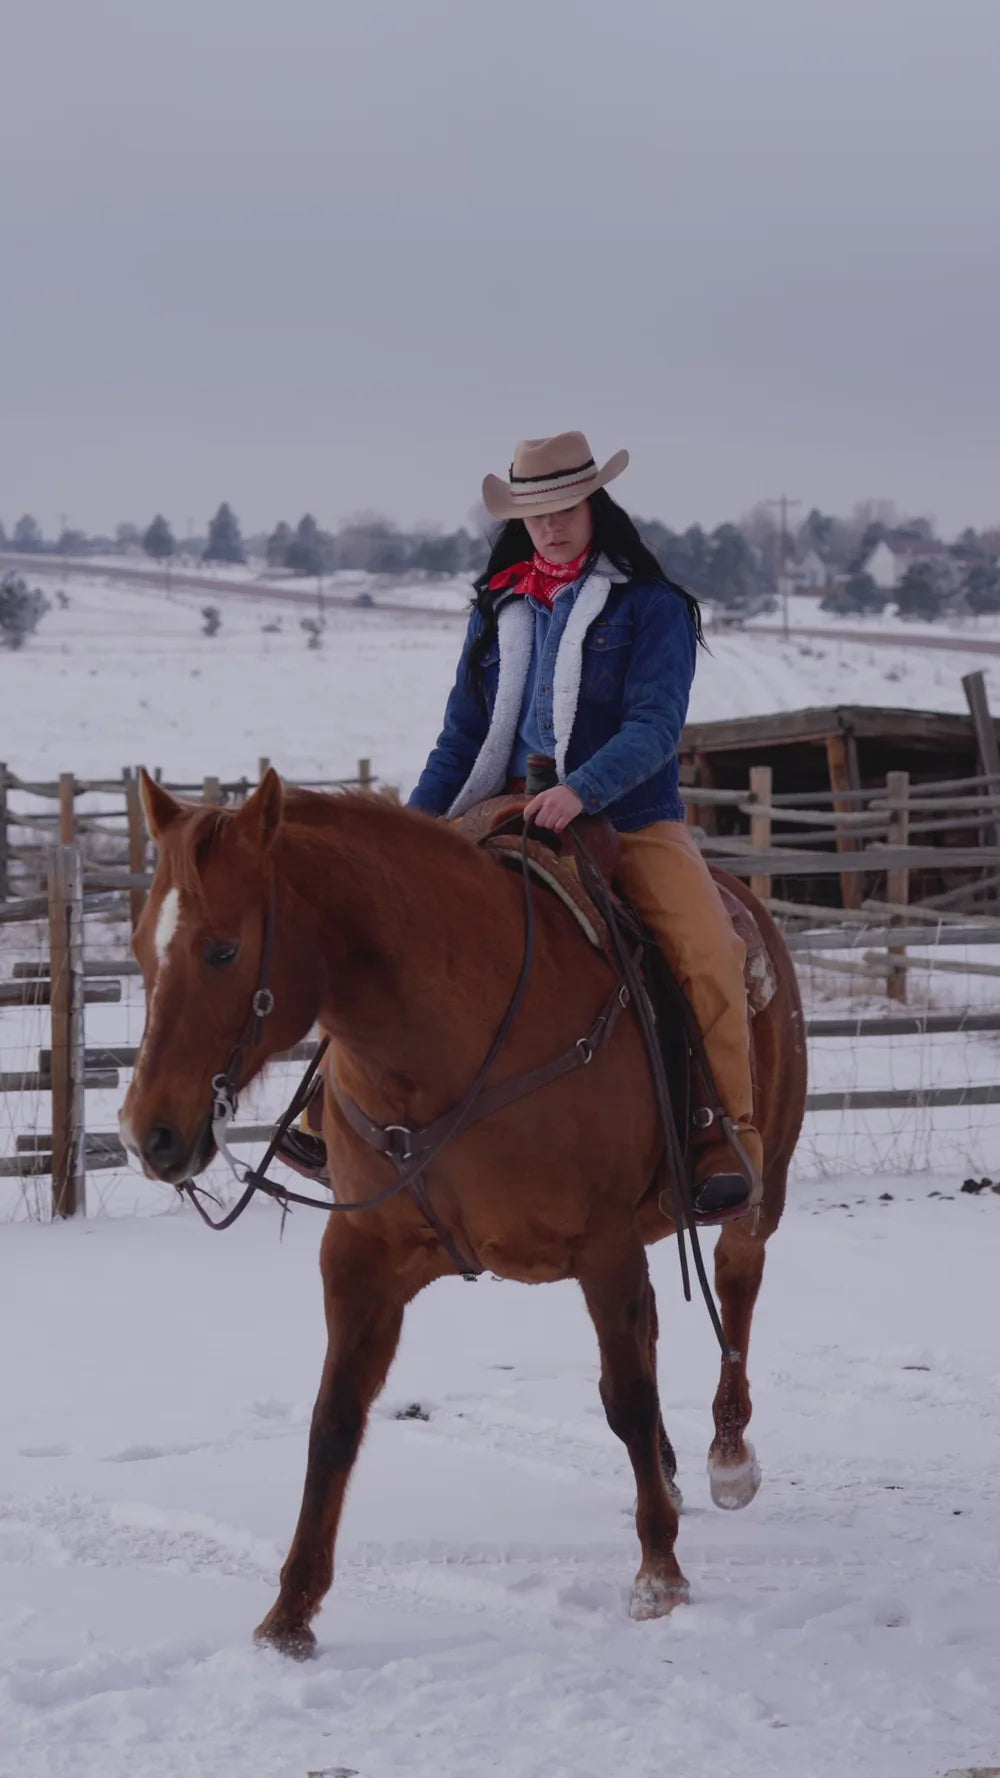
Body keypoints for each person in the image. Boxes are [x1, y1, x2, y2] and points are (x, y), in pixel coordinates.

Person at [409, 431, 761, 1223]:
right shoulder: (500, 607)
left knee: (710, 952)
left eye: (565, 509)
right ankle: (334, 1111)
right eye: (536, 516)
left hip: (627, 815)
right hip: (501, 806)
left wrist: (581, 788)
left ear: (593, 504)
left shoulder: (651, 607)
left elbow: (654, 725)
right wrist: (411, 831)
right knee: (390, 926)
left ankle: (723, 1133)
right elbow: (462, 738)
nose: (552, 528)